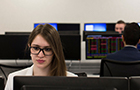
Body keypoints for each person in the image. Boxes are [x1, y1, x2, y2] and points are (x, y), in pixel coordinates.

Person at [5, 24, 77, 90]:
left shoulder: (73, 80)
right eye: (36, 48)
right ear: (29, 47)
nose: (40, 55)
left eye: (47, 49)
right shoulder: (13, 78)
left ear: (55, 51)